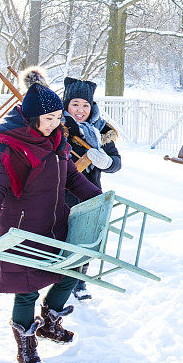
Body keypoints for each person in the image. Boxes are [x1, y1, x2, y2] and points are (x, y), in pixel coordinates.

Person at [0, 68, 102, 363]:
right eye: (50, 119)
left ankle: (50, 322)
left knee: (70, 271)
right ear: (32, 119)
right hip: (24, 229)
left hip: (56, 224)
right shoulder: (8, 145)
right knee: (27, 288)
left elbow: (71, 177)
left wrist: (100, 200)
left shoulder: (57, 141)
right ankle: (26, 347)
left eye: (58, 117)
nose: (56, 124)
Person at [62, 76, 122, 301]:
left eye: (85, 105)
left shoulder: (102, 130)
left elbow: (116, 163)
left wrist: (107, 162)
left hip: (90, 193)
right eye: (75, 104)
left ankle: (79, 283)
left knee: (87, 237)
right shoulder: (57, 125)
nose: (80, 110)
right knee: (63, 237)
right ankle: (60, 283)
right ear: (66, 104)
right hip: (61, 192)